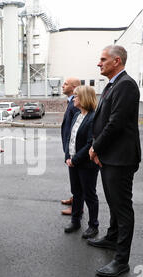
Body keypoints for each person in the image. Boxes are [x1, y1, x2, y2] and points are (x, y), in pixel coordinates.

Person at [88, 45, 141, 277]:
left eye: (103, 59)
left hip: (120, 158)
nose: (99, 63)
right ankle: (111, 238)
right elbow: (103, 120)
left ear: (116, 61)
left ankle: (121, 260)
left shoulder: (126, 85)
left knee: (122, 207)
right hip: (110, 156)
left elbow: (116, 123)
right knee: (113, 202)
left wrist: (95, 147)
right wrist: (98, 149)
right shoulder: (113, 85)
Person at [63, 85, 99, 239]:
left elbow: (90, 143)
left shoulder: (93, 117)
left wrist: (75, 160)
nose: (74, 98)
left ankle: (93, 225)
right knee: (76, 192)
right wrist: (67, 156)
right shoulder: (77, 115)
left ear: (84, 98)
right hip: (73, 162)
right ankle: (75, 220)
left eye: (76, 96)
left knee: (89, 194)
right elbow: (70, 138)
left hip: (86, 164)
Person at [60, 78, 81, 215]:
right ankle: (75, 199)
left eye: (66, 84)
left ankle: (77, 208)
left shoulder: (76, 104)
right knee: (75, 178)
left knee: (77, 180)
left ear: (74, 87)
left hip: (75, 149)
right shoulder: (71, 102)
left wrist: (71, 151)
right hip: (70, 147)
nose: (62, 86)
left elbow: (77, 128)